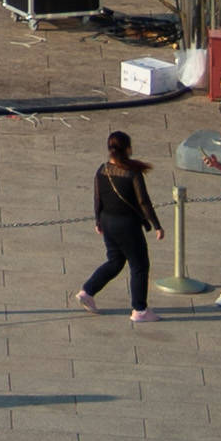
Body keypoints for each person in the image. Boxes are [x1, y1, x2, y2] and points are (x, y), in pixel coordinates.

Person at [74, 132, 157, 320]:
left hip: (107, 222)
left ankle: (87, 291)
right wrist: (156, 225)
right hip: (127, 225)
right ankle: (140, 310)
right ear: (128, 149)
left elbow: (97, 198)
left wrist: (97, 221)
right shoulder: (132, 173)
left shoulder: (102, 170)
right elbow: (143, 201)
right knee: (139, 266)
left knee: (115, 261)